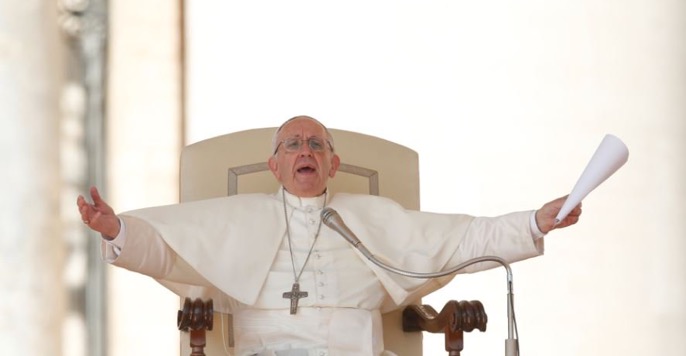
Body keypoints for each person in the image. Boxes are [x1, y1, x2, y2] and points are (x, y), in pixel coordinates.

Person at [77, 115, 582, 356]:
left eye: (316, 144)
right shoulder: (233, 219)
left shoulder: (374, 217)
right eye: (293, 144)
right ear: (274, 165)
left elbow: (464, 239)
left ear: (332, 163)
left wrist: (536, 221)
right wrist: (116, 229)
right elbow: (168, 249)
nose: (306, 150)